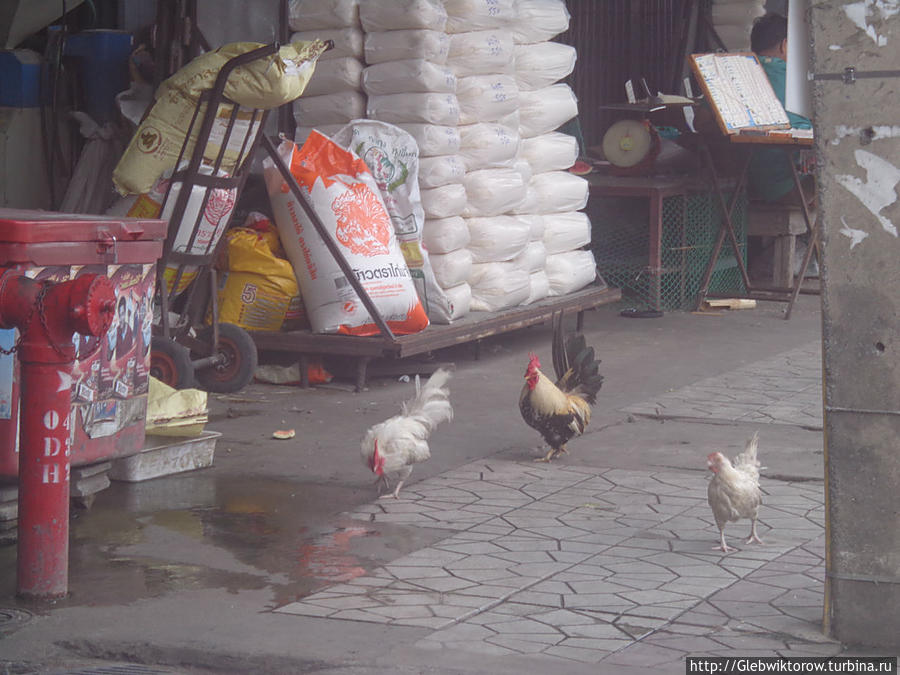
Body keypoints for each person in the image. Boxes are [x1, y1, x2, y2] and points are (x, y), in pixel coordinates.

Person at [747, 13, 814, 205]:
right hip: (788, 188)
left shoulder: (731, 75)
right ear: (785, 45)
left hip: (737, 187)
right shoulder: (799, 80)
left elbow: (699, 121)